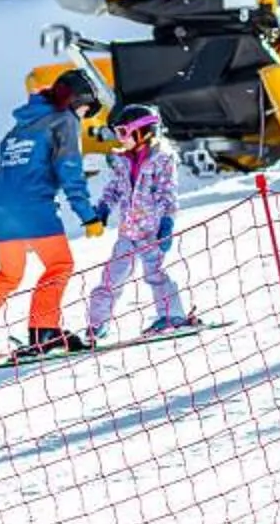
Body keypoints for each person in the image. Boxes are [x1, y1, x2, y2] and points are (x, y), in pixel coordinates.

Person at [0, 69, 103, 368]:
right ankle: (43, 331)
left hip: (2, 208)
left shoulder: (18, 128)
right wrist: (88, 215)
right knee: (60, 265)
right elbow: (69, 170)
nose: (84, 117)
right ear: (76, 100)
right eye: (85, 109)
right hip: (33, 205)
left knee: (9, 275)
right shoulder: (64, 119)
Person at [79, 101, 195, 345]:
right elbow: (114, 188)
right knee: (111, 277)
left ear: (144, 132)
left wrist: (166, 222)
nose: (119, 138)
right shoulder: (122, 159)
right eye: (117, 132)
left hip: (151, 231)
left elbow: (167, 194)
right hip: (128, 231)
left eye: (123, 132)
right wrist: (102, 208)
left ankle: (172, 315)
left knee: (155, 274)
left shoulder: (162, 159)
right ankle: (97, 324)